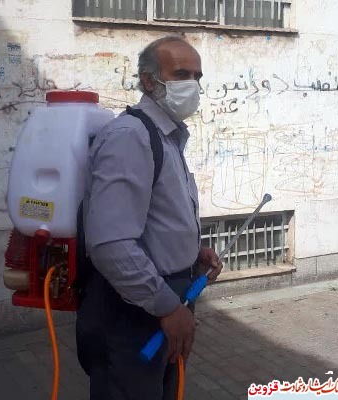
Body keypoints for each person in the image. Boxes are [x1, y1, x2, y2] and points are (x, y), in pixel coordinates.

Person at [76, 36, 224, 400]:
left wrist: (190, 253)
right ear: (149, 80)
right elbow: (111, 244)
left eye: (197, 76)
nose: (193, 85)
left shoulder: (167, 137)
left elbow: (153, 218)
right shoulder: (131, 137)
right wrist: (168, 308)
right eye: (182, 74)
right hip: (134, 311)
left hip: (161, 300)